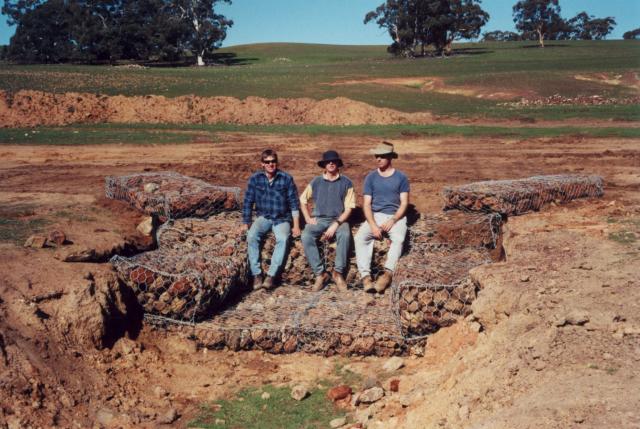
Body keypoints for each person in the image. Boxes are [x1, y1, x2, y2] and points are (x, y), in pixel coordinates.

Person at [240, 149, 301, 290]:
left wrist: (296, 225)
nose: (271, 164)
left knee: (283, 239)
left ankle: (271, 276)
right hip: (264, 217)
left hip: (282, 218)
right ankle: (257, 274)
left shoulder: (286, 179)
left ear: (277, 162)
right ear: (262, 164)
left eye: (273, 161)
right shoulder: (255, 179)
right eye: (267, 162)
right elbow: (248, 201)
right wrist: (246, 222)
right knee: (252, 236)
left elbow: (294, 203)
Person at [355, 142, 410, 293]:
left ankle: (387, 274)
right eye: (376, 156)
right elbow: (366, 204)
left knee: (398, 239)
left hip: (395, 216)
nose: (378, 159)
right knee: (359, 238)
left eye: (382, 156)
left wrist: (393, 220)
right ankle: (366, 277)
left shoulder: (401, 177)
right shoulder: (371, 178)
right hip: (376, 215)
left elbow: (404, 203)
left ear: (390, 158)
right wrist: (372, 225)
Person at [300, 150, 356, 292]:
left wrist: (335, 224)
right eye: (328, 161)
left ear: (338, 164)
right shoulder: (316, 181)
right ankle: (320, 274)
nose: (331, 163)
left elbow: (349, 208)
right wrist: (307, 218)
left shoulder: (346, 182)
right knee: (306, 235)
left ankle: (338, 273)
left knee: (345, 234)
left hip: (339, 219)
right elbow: (302, 200)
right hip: (319, 218)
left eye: (334, 161)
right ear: (324, 165)